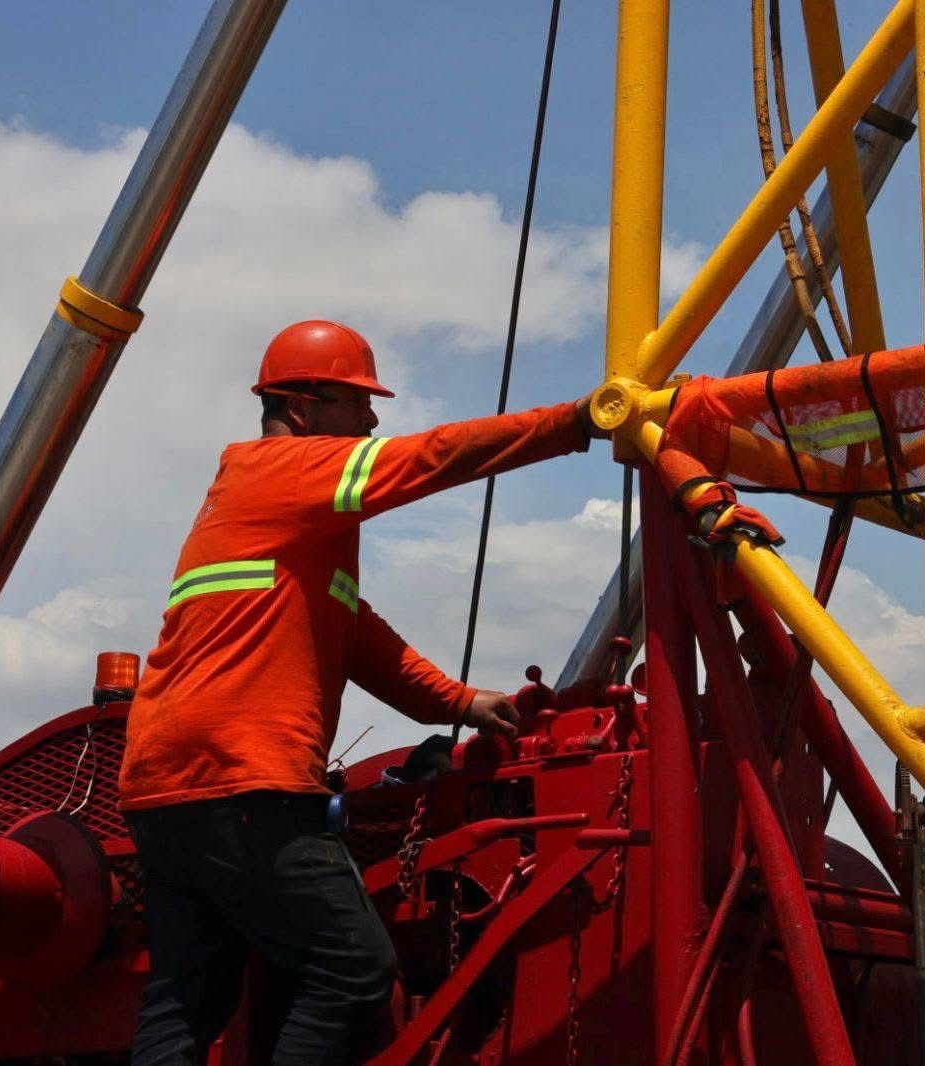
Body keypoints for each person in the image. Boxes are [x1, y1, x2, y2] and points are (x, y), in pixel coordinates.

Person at [118, 319, 602, 1064]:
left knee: (191, 997)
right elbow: (431, 458)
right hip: (244, 781)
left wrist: (463, 703)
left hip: (166, 790)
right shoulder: (284, 471)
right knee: (352, 968)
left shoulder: (278, 514)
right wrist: (571, 423)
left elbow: (358, 635)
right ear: (302, 407)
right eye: (357, 402)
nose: (373, 419)